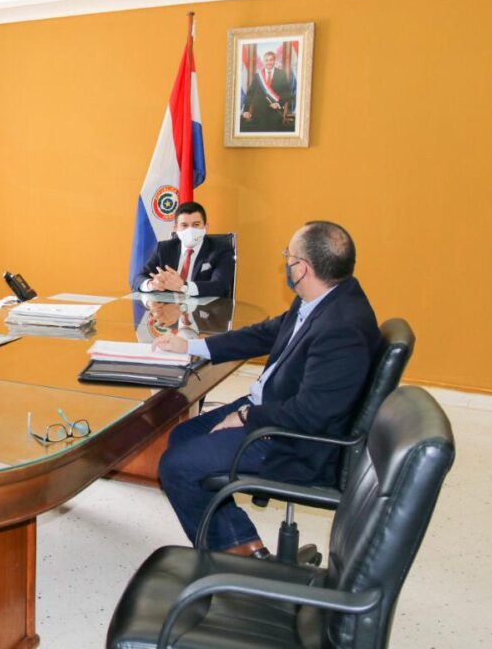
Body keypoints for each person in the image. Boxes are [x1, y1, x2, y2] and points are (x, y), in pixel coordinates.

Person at [153, 221, 380, 558]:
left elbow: (312, 413)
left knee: (177, 466)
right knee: (182, 436)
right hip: (275, 409)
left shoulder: (341, 328)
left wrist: (247, 416)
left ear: (302, 268)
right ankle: (243, 543)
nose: (286, 263)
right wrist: (190, 346)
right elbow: (263, 335)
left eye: (289, 256)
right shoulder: (322, 298)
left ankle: (237, 557)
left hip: (295, 441)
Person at [132, 201, 235, 297]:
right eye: (184, 225)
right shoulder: (164, 248)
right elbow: (138, 278)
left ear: (206, 227)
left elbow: (221, 286)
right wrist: (151, 284)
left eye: (196, 225)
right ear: (176, 228)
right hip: (168, 308)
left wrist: (183, 286)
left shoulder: (221, 249)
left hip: (205, 309)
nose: (190, 230)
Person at [241, 51, 294, 132]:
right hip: (259, 112)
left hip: (275, 113)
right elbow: (250, 94)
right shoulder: (258, 76)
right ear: (263, 61)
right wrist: (246, 110)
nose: (268, 62)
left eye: (271, 60)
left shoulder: (281, 74)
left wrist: (278, 104)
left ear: (274, 61)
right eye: (266, 60)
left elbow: (287, 94)